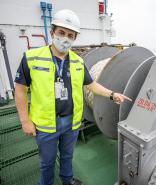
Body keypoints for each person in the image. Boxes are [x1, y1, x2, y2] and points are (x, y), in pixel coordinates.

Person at [14, 9, 131, 185]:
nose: (65, 38)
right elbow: (20, 90)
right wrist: (25, 121)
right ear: (52, 32)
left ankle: (67, 181)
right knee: (47, 162)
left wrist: (112, 95)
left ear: (75, 38)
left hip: (71, 123)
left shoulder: (77, 61)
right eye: (61, 32)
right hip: (45, 125)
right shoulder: (31, 58)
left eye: (71, 35)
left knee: (68, 156)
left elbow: (90, 84)